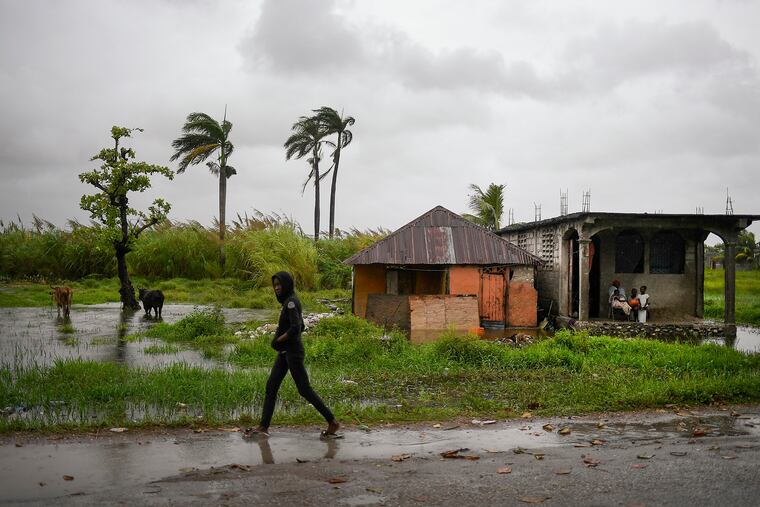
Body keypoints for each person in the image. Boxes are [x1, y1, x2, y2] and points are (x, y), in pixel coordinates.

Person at [246, 271, 339, 438]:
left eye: (280, 284)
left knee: (304, 389)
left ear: (287, 284)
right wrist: (280, 343)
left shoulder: (291, 303)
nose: (277, 288)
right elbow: (302, 325)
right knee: (271, 387)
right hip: (284, 353)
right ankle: (263, 427)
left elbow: (296, 328)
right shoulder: (289, 302)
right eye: (275, 285)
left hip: (293, 353)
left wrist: (278, 340)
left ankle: (332, 421)